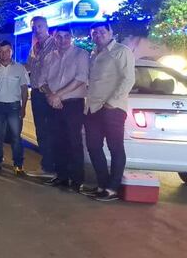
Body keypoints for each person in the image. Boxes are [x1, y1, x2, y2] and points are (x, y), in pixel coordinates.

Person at [81, 22, 135, 202]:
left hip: (112, 108)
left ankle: (112, 188)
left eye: (101, 32)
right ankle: (102, 184)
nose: (98, 35)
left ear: (111, 32)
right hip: (92, 107)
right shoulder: (94, 53)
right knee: (93, 147)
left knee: (115, 147)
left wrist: (112, 102)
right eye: (94, 33)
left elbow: (128, 79)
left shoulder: (121, 51)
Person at [37, 25, 89, 191]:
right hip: (53, 104)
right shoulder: (49, 57)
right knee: (56, 140)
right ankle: (62, 176)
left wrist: (57, 95)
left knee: (73, 141)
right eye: (59, 37)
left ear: (71, 37)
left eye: (67, 36)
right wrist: (51, 96)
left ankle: (77, 180)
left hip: (73, 104)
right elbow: (41, 82)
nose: (63, 40)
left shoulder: (81, 54)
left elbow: (81, 78)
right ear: (54, 38)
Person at [0, 41, 29, 176]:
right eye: (1, 51)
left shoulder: (19, 68)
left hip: (14, 107)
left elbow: (24, 89)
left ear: (11, 51)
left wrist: (23, 107)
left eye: (7, 51)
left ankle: (18, 165)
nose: (4, 54)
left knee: (16, 137)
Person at [25, 16, 57, 176]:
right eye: (34, 27)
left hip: (50, 93)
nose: (37, 30)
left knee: (51, 131)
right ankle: (47, 166)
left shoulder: (55, 44)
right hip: (37, 92)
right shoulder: (35, 47)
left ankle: (53, 167)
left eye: (39, 26)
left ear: (46, 27)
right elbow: (28, 67)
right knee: (41, 131)